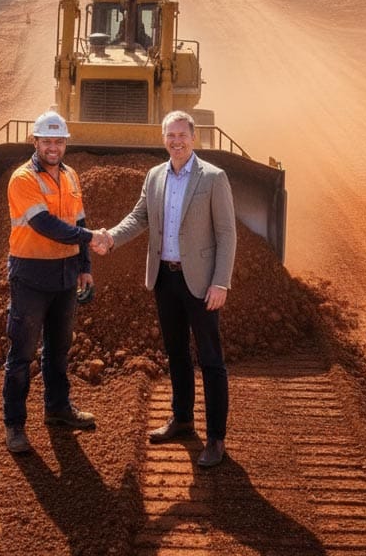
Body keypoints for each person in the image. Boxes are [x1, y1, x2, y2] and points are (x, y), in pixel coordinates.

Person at [93, 110, 236, 468]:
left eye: (182, 135)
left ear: (193, 137)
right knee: (176, 353)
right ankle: (183, 418)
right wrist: (111, 237)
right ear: (163, 140)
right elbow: (139, 217)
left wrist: (221, 282)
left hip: (201, 282)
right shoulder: (155, 176)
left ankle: (216, 438)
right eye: (170, 136)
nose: (176, 141)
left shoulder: (213, 178)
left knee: (211, 360)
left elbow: (226, 234)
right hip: (165, 278)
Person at [3, 110, 98, 454]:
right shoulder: (23, 179)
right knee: (22, 353)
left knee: (59, 348)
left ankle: (57, 408)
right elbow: (44, 224)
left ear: (65, 144)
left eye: (59, 141)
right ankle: (15, 425)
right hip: (30, 276)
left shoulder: (71, 176)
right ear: (36, 142)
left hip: (65, 276)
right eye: (47, 141)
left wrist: (85, 266)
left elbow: (78, 218)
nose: (53, 147)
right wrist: (90, 236)